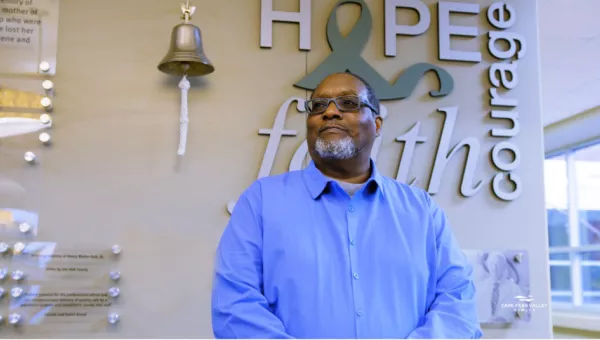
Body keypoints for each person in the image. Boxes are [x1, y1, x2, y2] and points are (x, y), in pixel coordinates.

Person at [211, 72, 483, 339]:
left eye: (349, 103)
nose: (329, 112)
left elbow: (457, 300)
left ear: (377, 124)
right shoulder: (260, 202)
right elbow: (235, 308)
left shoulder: (422, 211)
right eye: (318, 106)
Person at [478, 252, 524, 323]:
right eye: (491, 264)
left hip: (506, 329)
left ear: (503, 267)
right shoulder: (479, 288)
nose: (494, 267)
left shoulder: (514, 289)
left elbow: (521, 313)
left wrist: (504, 318)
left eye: (497, 264)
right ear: (488, 266)